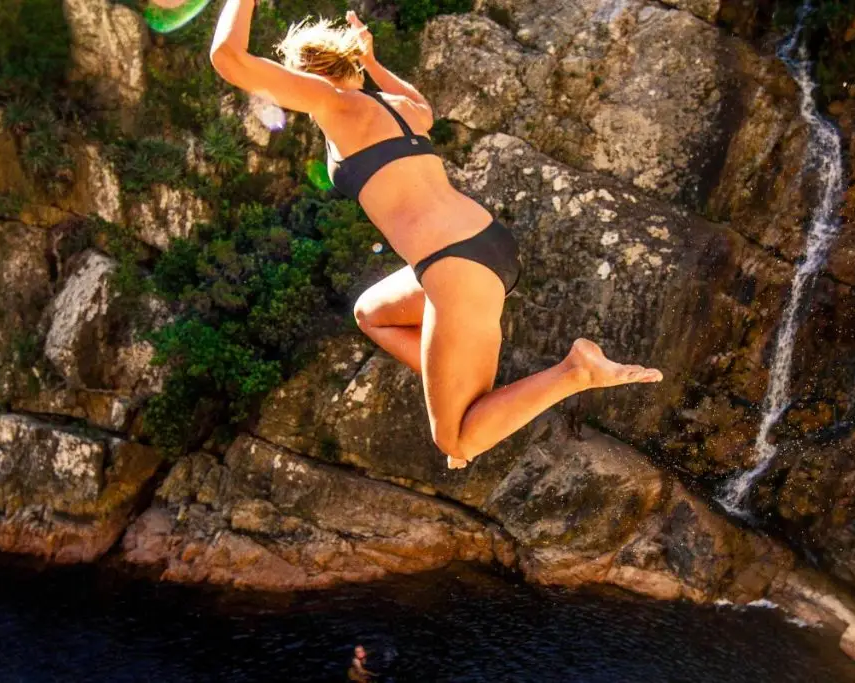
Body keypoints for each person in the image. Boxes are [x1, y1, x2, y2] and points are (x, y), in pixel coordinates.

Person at [209, 2, 664, 469]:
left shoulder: (336, 103)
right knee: (372, 313)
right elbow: (424, 109)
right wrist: (373, 63)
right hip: (481, 243)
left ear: (308, 76)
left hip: (455, 266)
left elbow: (228, 58)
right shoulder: (396, 107)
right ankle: (463, 393)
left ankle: (575, 372)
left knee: (459, 442)